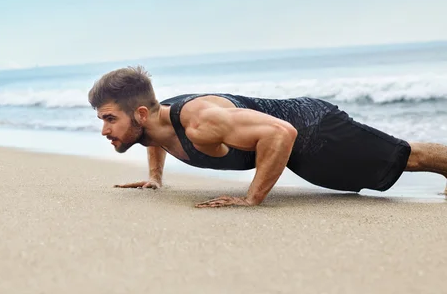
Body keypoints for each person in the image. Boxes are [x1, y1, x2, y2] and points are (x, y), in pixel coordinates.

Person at [87, 66, 447, 208]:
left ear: (140, 114)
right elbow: (155, 138)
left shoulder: (200, 121)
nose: (104, 129)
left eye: (109, 119)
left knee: (404, 159)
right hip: (297, 151)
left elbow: (281, 132)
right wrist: (155, 178)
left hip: (314, 130)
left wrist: (251, 199)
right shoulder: (151, 124)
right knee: (377, 175)